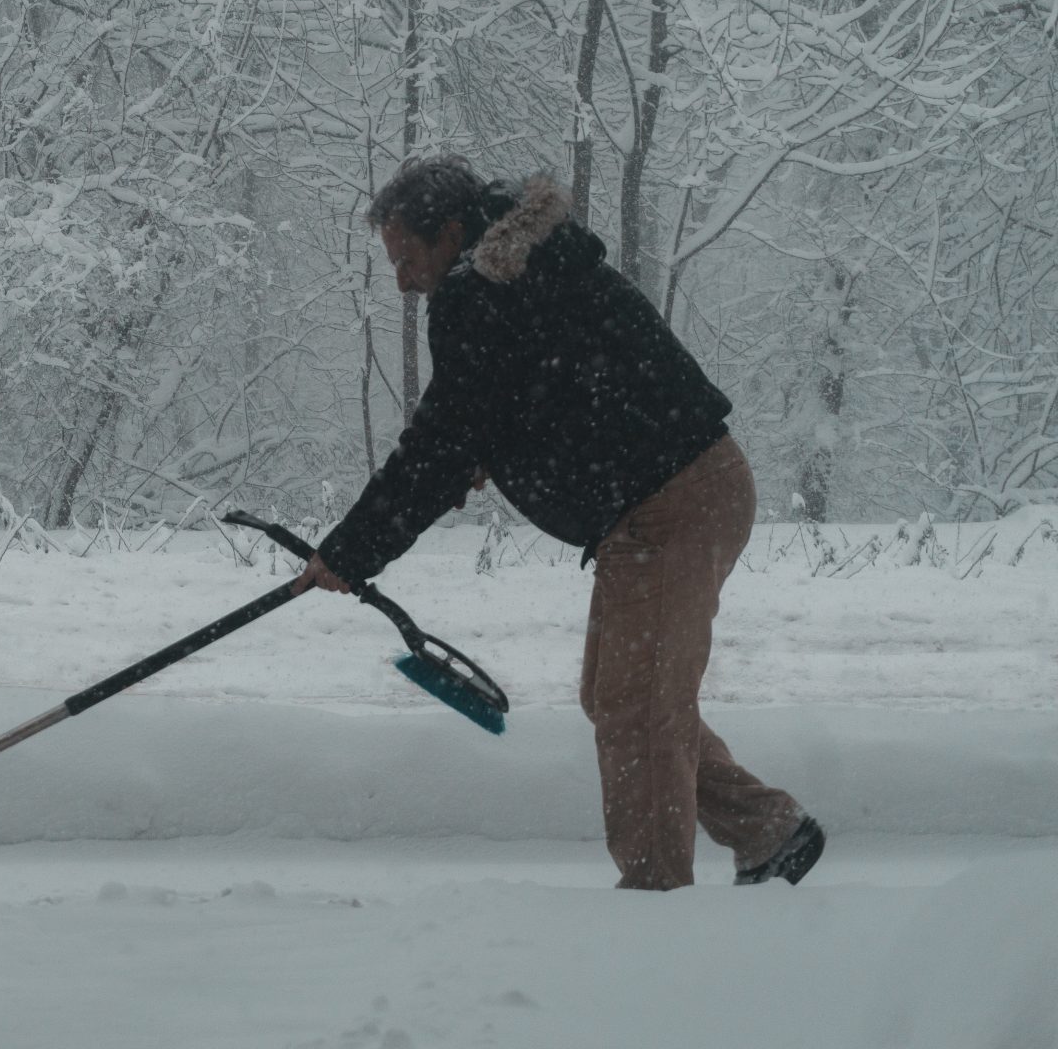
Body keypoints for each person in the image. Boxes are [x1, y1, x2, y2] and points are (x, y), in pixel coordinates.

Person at [293, 155, 823, 890]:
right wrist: (500, 449)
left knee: (637, 712)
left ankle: (655, 914)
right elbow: (541, 390)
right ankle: (769, 832)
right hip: (682, 491)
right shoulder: (523, 272)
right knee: (620, 700)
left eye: (408, 258)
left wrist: (351, 550)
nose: (403, 281)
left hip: (670, 503)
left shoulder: (481, 293)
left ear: (450, 234)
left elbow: (441, 442)